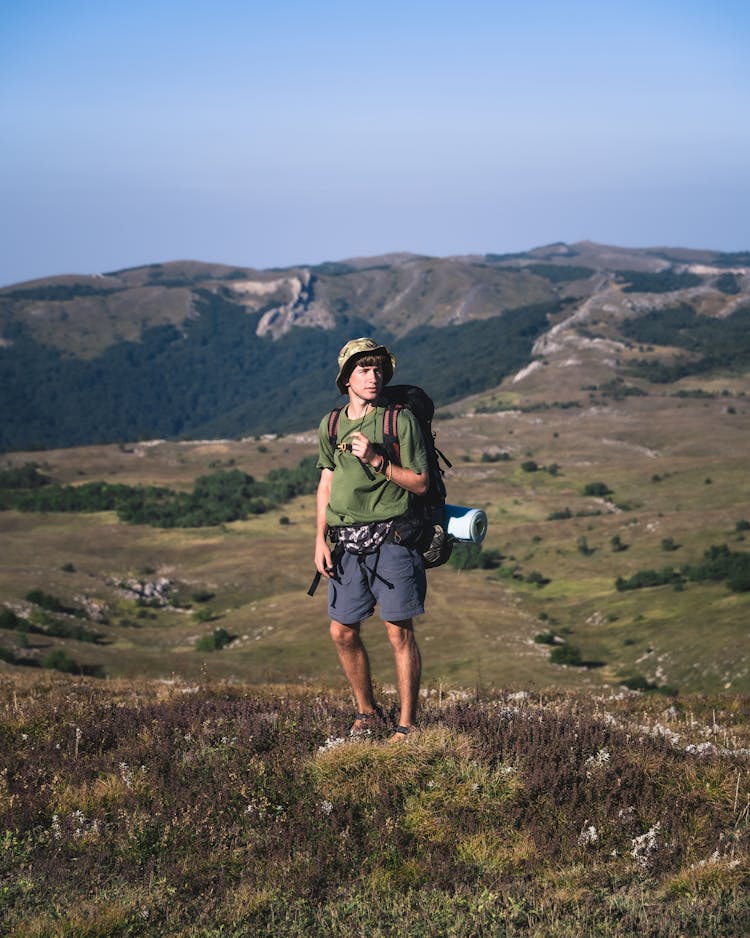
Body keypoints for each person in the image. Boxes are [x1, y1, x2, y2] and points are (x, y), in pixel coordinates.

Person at [314, 338, 429, 741]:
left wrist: (378, 460)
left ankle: (407, 725)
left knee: (399, 631)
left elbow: (420, 482)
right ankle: (367, 712)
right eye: (364, 370)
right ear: (346, 379)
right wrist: (319, 539)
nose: (374, 377)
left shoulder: (399, 422)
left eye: (379, 369)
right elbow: (326, 481)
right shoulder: (331, 424)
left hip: (393, 536)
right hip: (344, 541)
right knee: (342, 631)